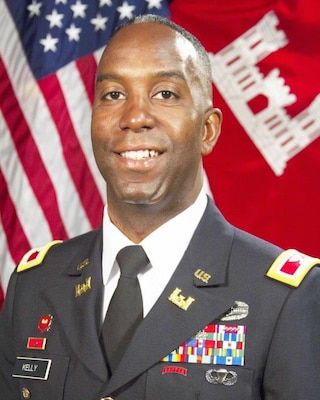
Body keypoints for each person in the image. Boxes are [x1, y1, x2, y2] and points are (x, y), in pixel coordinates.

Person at [0, 14, 319, 400]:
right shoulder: (35, 284)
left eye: (165, 93)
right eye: (113, 94)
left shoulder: (286, 298)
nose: (134, 117)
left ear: (207, 130)